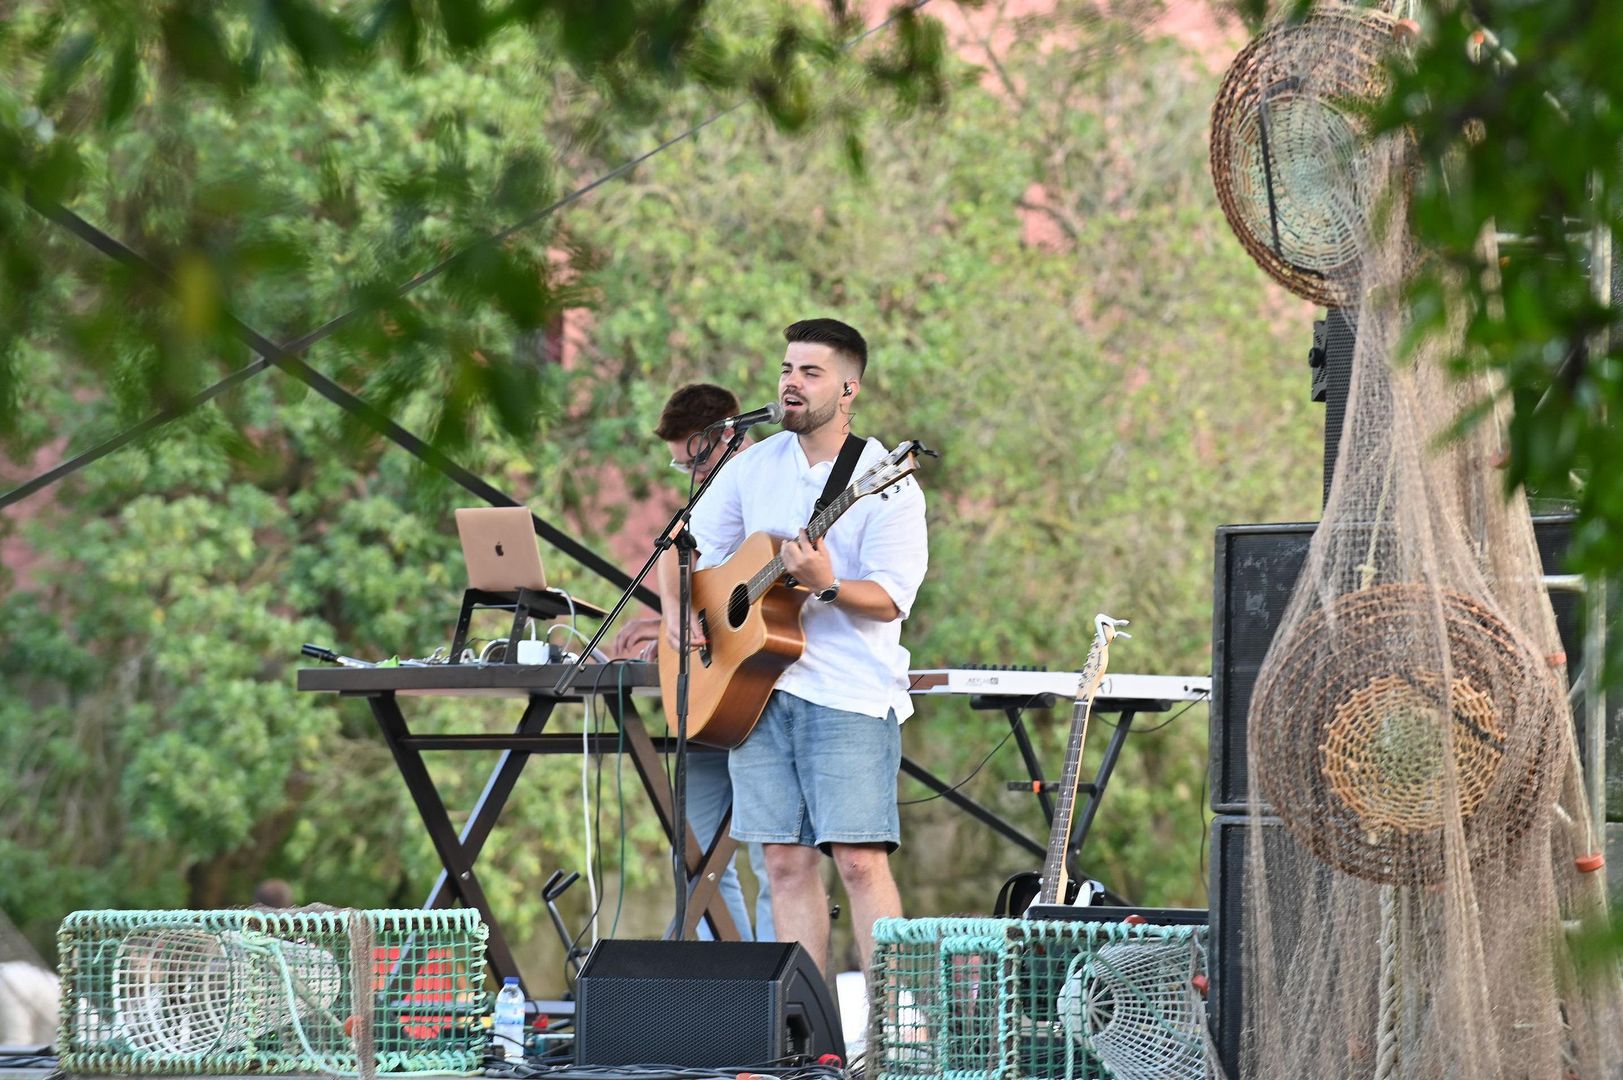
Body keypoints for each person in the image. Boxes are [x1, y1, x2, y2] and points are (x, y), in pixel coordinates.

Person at [687, 318, 928, 973]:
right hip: (756, 690)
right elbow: (697, 550)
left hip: (848, 693)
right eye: (786, 369)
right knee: (783, 864)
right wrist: (695, 614)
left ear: (848, 389)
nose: (790, 383)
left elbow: (892, 597)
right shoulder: (752, 465)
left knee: (858, 860)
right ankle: (805, 1026)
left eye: (810, 372)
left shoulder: (885, 478)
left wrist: (827, 584)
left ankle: (890, 1025)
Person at [610, 383, 775, 943]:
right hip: (710, 690)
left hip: (764, 689)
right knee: (696, 856)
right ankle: (729, 984)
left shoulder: (776, 480)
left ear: (728, 435)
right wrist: (674, 615)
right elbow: (677, 548)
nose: (692, 475)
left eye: (695, 462)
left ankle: (779, 987)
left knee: (776, 859)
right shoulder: (712, 493)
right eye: (682, 466)